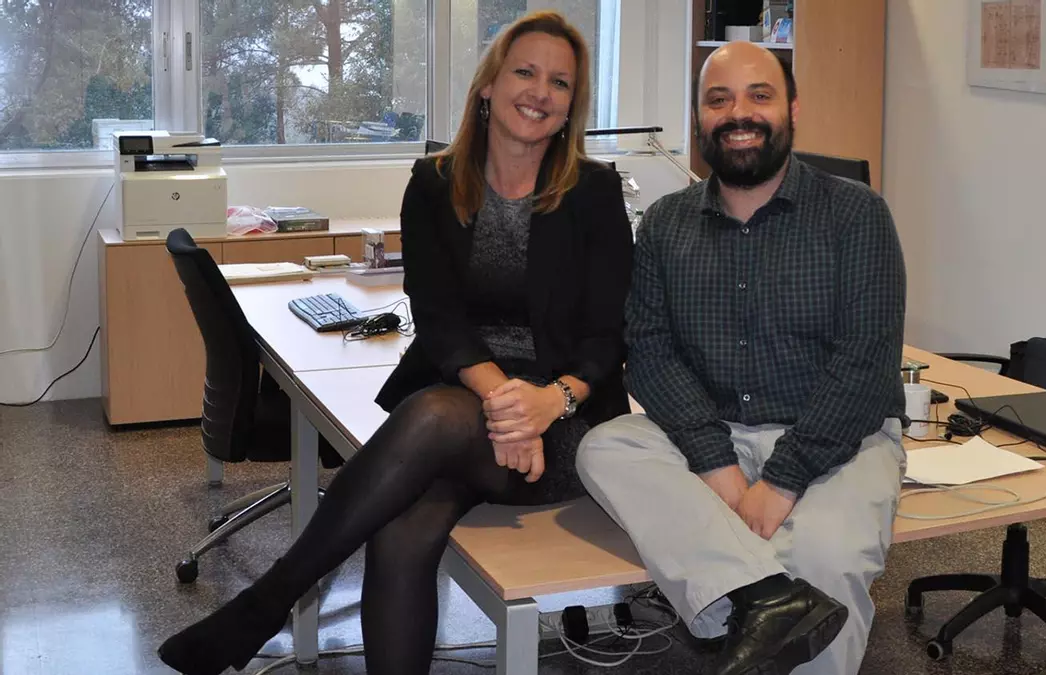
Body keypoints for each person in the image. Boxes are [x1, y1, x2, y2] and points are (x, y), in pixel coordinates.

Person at [157, 11, 633, 675]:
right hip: (474, 407)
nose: (540, 91)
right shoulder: (435, 183)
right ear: (489, 85)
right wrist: (506, 404)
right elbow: (437, 318)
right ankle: (265, 606)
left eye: (560, 82)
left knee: (431, 419)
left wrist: (547, 404)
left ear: (571, 105)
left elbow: (610, 334)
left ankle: (267, 601)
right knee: (402, 527)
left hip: (561, 422)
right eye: (525, 71)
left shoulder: (595, 191)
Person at [575, 41, 907, 675]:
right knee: (606, 447)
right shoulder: (665, 223)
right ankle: (766, 599)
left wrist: (781, 483)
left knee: (826, 555)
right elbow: (651, 352)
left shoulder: (856, 214)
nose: (739, 114)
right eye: (718, 99)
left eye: (760, 95)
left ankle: (751, 593)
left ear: (792, 109)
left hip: (837, 439)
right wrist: (719, 468)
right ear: (699, 117)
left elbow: (864, 365)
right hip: (713, 434)